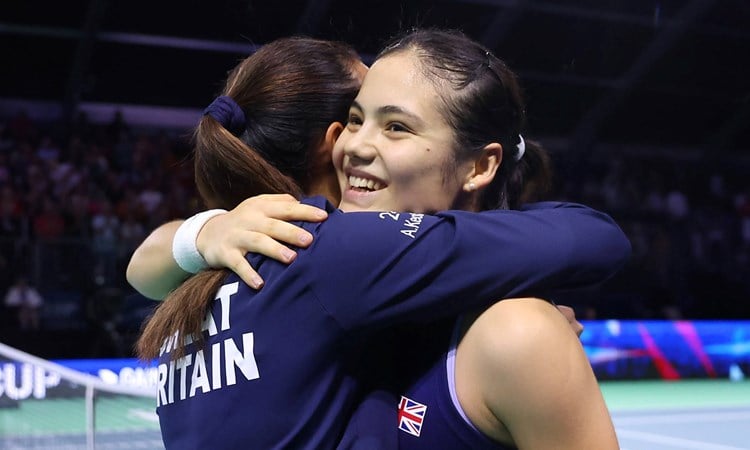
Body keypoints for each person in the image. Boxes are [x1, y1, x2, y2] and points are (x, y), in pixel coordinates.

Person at [129, 34, 628, 449]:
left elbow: (140, 266)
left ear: (480, 165)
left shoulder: (201, 280)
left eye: (396, 126)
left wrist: (200, 230)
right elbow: (597, 238)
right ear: (329, 141)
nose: (360, 145)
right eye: (354, 118)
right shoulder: (328, 255)